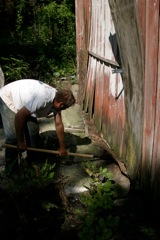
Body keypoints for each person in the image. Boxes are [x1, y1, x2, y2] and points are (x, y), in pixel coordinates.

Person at [0, 79, 76, 173]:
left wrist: (62, 147)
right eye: (65, 108)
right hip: (8, 97)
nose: (64, 110)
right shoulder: (43, 99)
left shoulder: (57, 98)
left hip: (25, 104)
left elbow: (59, 124)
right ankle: (11, 171)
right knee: (13, 138)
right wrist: (20, 141)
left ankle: (32, 163)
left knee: (33, 134)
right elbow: (19, 117)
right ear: (61, 105)